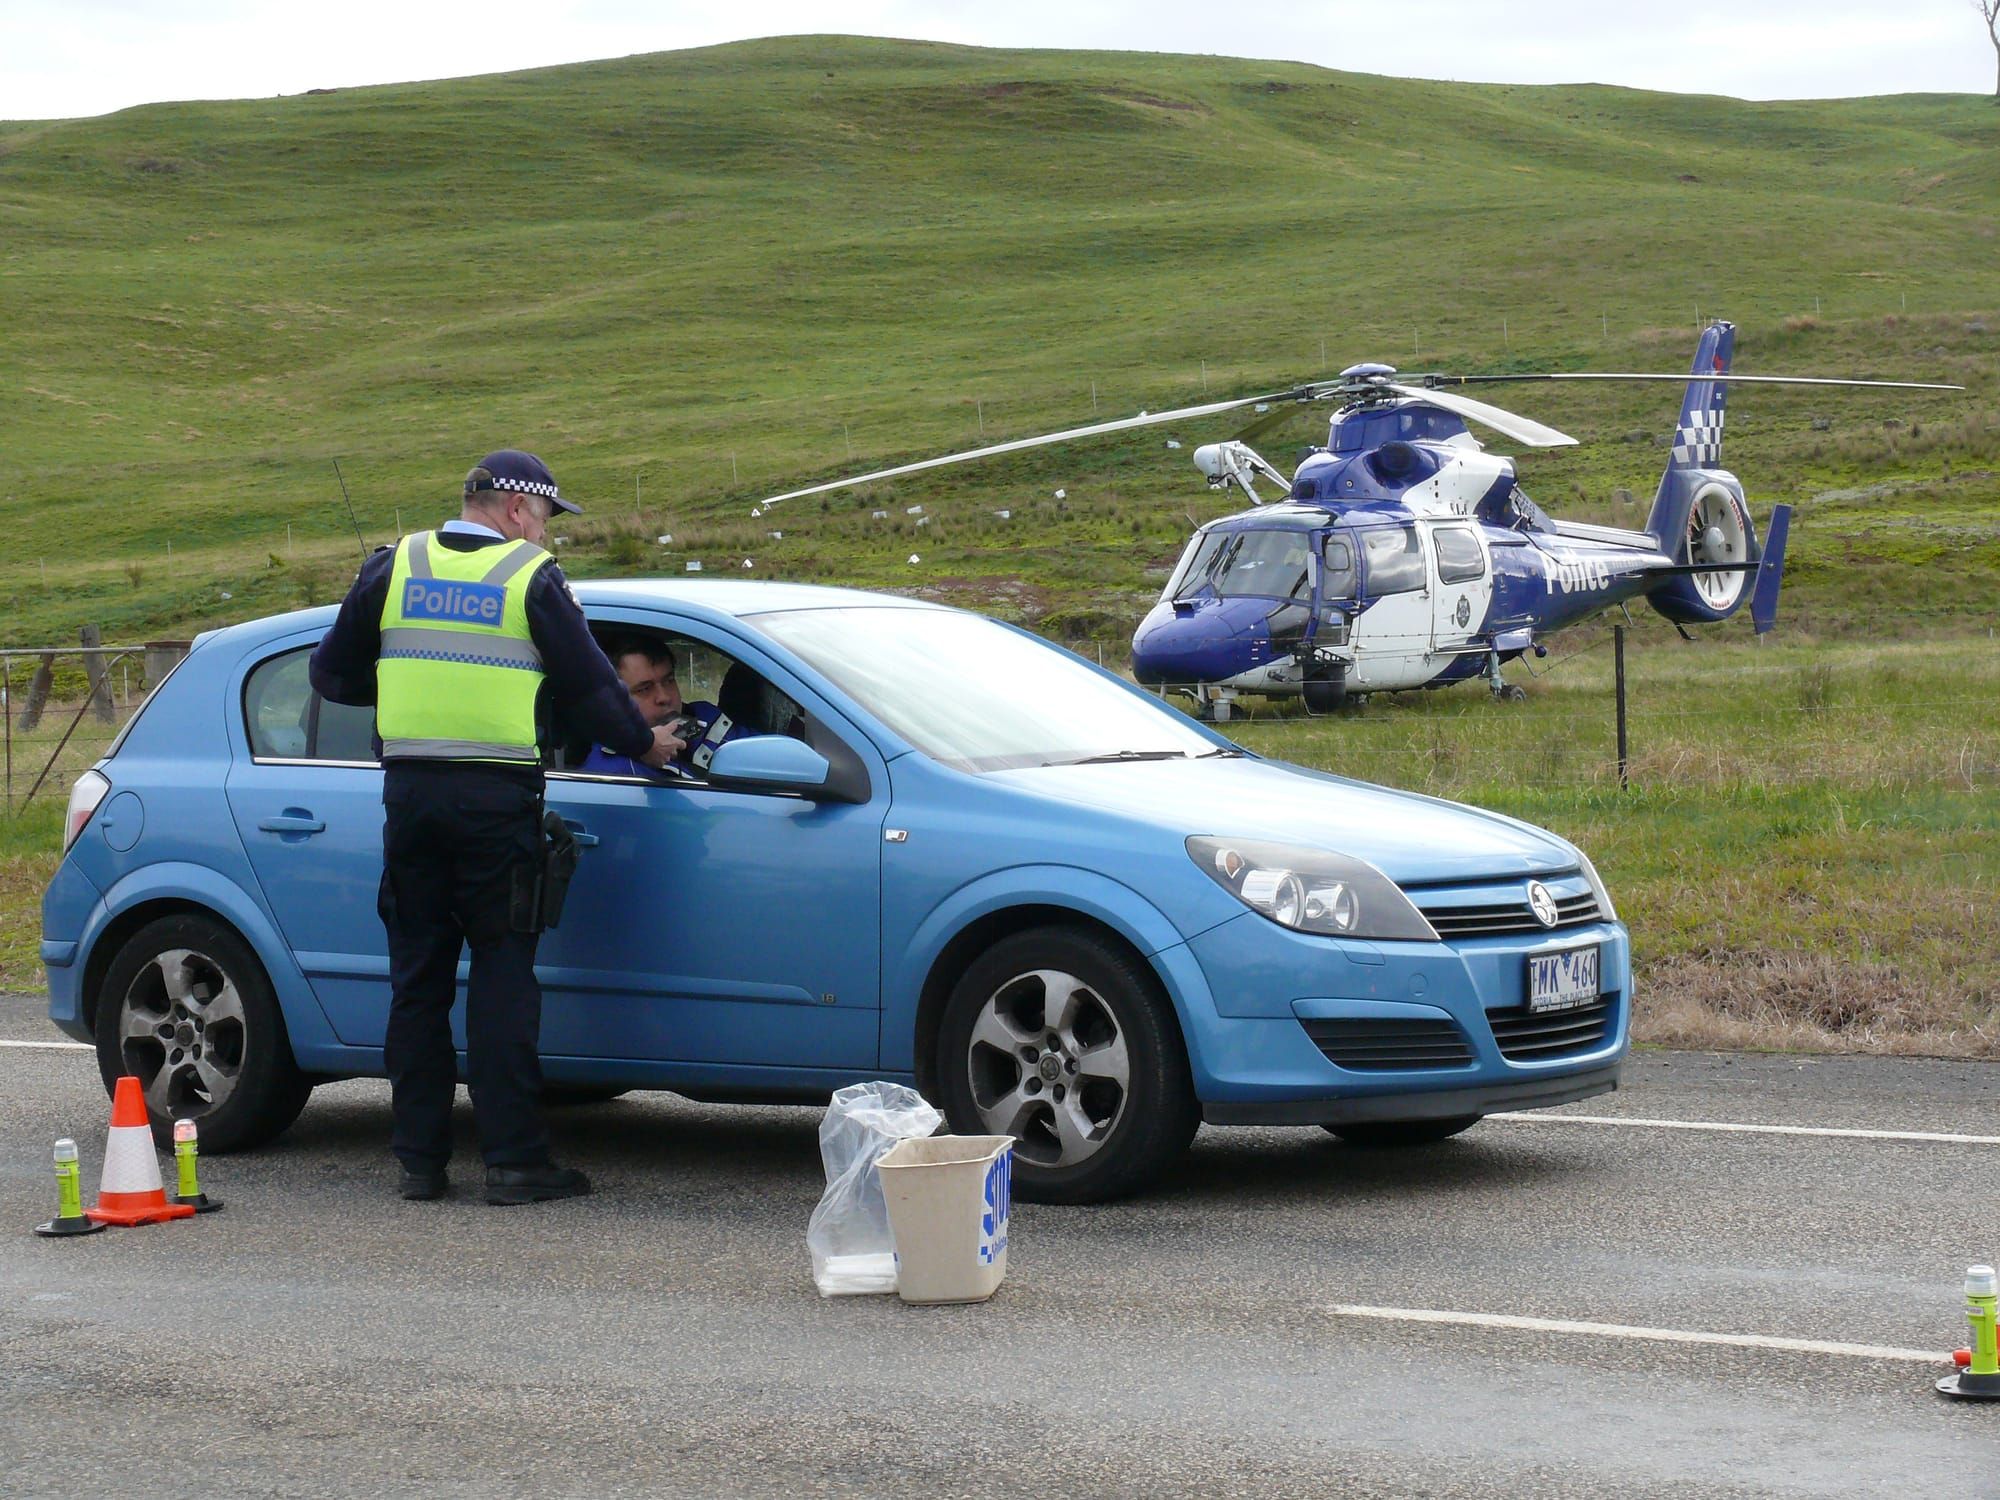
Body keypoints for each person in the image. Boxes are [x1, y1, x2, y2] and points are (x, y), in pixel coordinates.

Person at [310, 449, 684, 1206]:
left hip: (409, 798)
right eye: (546, 520)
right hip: (495, 801)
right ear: (517, 509)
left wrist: (404, 682)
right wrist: (649, 744)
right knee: (503, 977)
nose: (546, 536)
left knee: (416, 979)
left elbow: (331, 675)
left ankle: (419, 1160)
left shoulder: (395, 566)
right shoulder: (529, 579)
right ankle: (514, 1160)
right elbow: (593, 688)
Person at [578, 638, 735, 781]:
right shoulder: (609, 776)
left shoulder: (707, 716)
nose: (664, 697)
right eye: (645, 689)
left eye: (669, 680)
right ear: (612, 702)